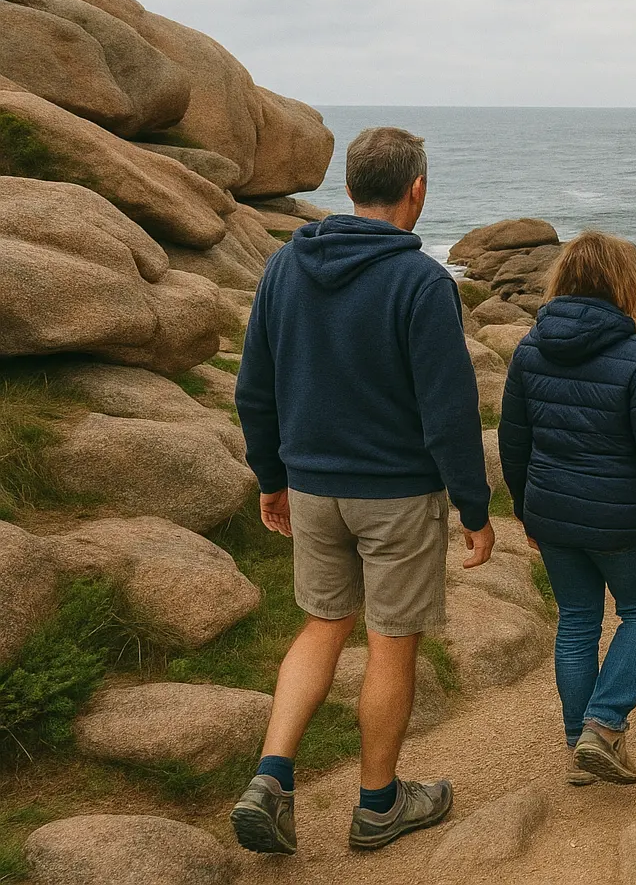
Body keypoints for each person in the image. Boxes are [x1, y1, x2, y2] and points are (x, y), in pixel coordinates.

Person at [231, 127, 494, 853]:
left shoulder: (285, 267)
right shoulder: (421, 283)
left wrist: (272, 476)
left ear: (348, 187)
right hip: (397, 496)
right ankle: (378, 804)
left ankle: (271, 776)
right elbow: (449, 414)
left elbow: (254, 389)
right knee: (390, 641)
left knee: (322, 624)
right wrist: (475, 509)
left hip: (313, 487)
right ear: (416, 190)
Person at [499, 230, 636, 787]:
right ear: (623, 285)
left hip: (552, 513)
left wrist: (524, 510)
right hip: (620, 521)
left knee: (578, 623)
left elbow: (513, 443)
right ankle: (603, 725)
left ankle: (577, 746)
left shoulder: (528, 348)